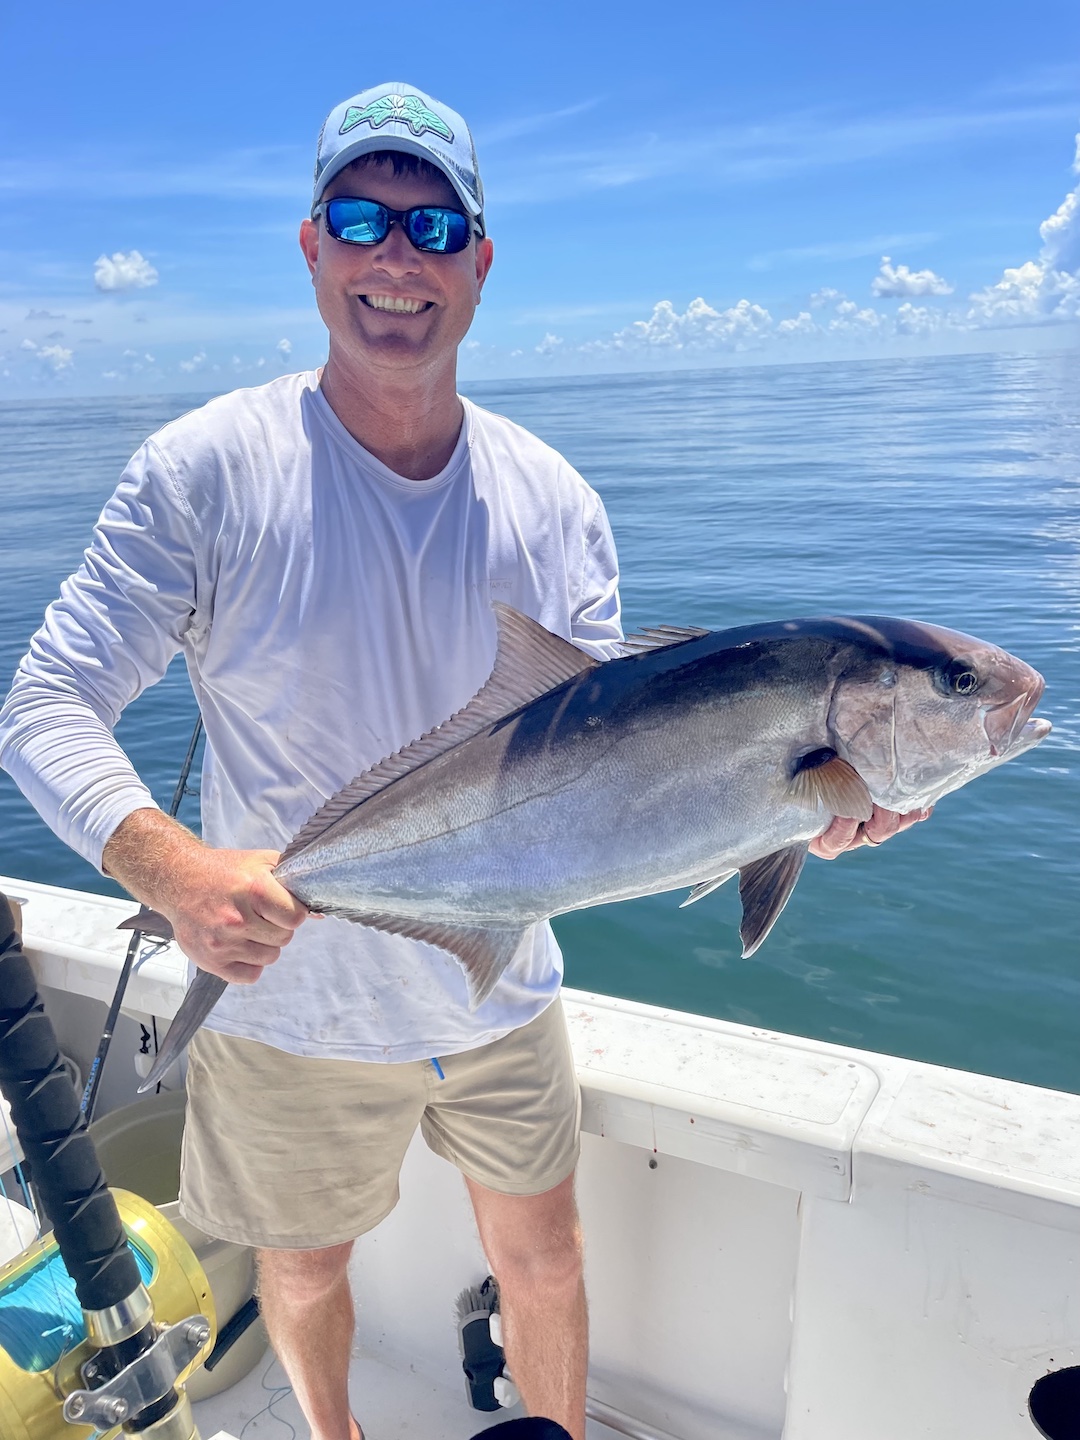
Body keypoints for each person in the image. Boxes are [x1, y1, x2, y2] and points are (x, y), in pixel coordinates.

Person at [0, 83, 925, 1440]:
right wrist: (175, 868)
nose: (398, 258)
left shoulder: (555, 502)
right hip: (289, 996)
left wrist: (783, 817)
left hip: (502, 990)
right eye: (363, 218)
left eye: (433, 225)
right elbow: (43, 707)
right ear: (311, 244)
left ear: (481, 263)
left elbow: (628, 775)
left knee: (544, 1257)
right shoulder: (206, 471)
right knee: (307, 1270)